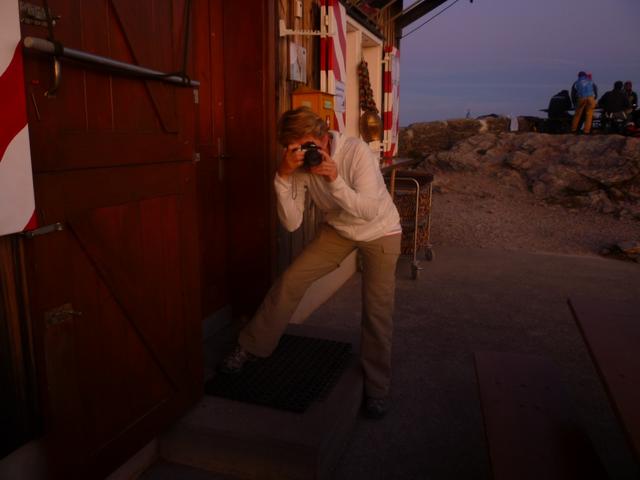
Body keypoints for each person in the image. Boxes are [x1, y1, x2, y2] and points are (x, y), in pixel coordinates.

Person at [220, 106, 402, 419]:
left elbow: (369, 211)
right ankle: (250, 347)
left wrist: (334, 179)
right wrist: (282, 177)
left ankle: (377, 388)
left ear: (323, 136)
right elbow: (292, 223)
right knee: (291, 281)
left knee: (377, 309)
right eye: (294, 148)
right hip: (338, 230)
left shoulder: (355, 152)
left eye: (307, 145)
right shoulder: (301, 166)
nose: (304, 154)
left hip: (380, 230)